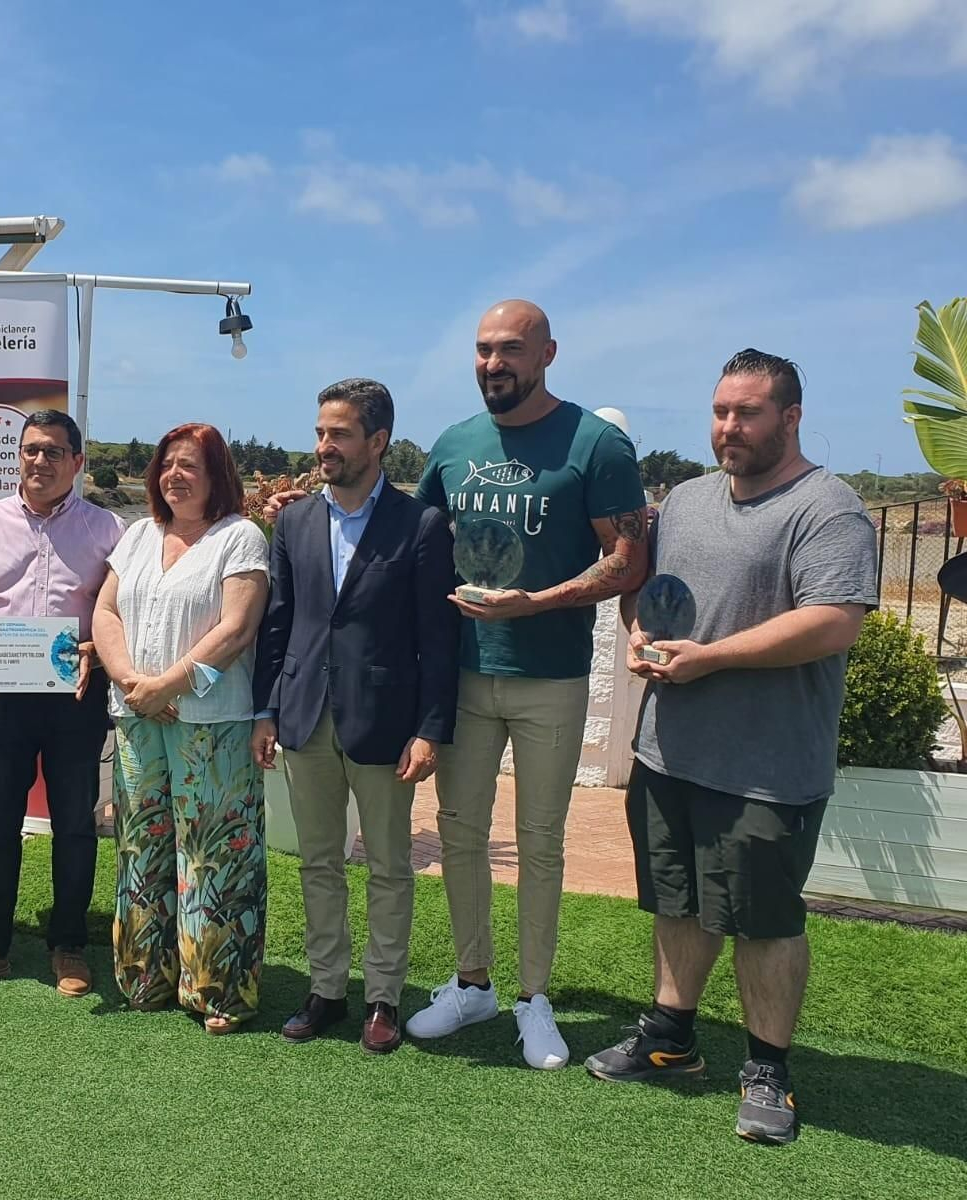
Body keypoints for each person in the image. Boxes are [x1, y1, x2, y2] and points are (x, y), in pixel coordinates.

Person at [585, 350, 875, 1145]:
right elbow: (655, 596)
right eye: (719, 411)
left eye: (746, 413)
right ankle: (671, 1039)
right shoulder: (685, 500)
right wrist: (644, 632)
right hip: (670, 751)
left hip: (768, 766)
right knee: (679, 903)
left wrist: (711, 657)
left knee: (765, 922)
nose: (727, 428)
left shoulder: (828, 507)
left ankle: (768, 1070)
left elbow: (833, 620)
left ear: (790, 418)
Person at [403, 299, 649, 1070]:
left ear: (547, 353)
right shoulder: (454, 443)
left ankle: (533, 997)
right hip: (466, 675)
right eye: (482, 350)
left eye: (509, 349)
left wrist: (534, 603)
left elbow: (628, 559)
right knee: (460, 833)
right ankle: (472, 982)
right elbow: (414, 550)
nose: (492, 364)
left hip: (550, 675)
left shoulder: (596, 443)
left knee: (541, 840)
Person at [253, 378, 461, 1054]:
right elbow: (278, 624)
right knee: (318, 861)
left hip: (385, 724)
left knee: (391, 867)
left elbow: (439, 638)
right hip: (304, 714)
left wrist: (431, 729)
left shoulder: (421, 525)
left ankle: (382, 998)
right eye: (320, 433)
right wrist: (265, 709)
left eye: (338, 434)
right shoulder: (293, 521)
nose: (323, 446)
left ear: (378, 442)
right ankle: (327, 989)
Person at [0, 410, 124, 995]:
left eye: (53, 452)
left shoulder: (109, 528)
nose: (39, 461)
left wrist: (95, 645)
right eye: (31, 449)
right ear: (18, 455)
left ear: (77, 463)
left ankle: (68, 945)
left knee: (73, 825)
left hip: (75, 699)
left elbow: (121, 613)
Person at [92, 423, 270, 1033]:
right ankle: (147, 974)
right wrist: (132, 683)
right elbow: (106, 611)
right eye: (167, 464)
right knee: (142, 845)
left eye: (190, 465)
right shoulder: (139, 534)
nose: (175, 475)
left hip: (211, 723)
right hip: (138, 718)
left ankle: (217, 988)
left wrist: (167, 684)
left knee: (213, 853)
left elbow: (237, 629)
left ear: (217, 474)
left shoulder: (239, 538)